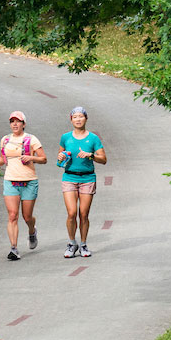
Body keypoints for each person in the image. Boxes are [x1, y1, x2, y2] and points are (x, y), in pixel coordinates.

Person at [0, 111, 47, 260]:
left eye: (18, 121)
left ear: (23, 124)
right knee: (12, 215)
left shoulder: (31, 139)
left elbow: (43, 159)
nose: (14, 124)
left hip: (29, 181)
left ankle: (32, 231)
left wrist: (31, 157)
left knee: (27, 217)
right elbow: (3, 158)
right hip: (10, 181)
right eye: (12, 121)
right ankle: (14, 248)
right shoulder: (5, 140)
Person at [57, 106, 106, 258]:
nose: (78, 119)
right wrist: (61, 157)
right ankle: (72, 243)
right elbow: (60, 155)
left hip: (87, 178)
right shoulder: (65, 137)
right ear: (71, 119)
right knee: (71, 213)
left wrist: (90, 155)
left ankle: (83, 244)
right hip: (70, 177)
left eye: (81, 116)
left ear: (86, 118)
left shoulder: (93, 138)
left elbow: (103, 159)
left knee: (83, 214)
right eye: (75, 117)